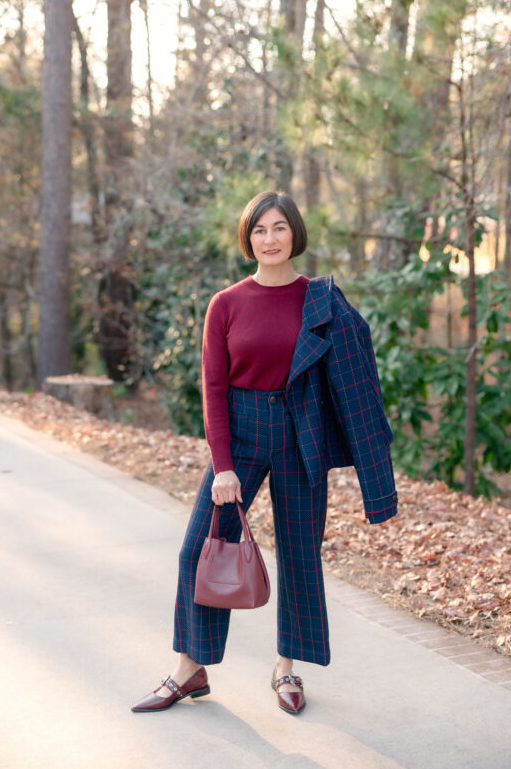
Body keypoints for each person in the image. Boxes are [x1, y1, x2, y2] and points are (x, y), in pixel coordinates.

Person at [131, 190, 396, 717]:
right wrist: (222, 465)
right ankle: (191, 669)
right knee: (197, 550)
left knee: (300, 553)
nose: (269, 239)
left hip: (303, 431)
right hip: (244, 432)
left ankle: (286, 667)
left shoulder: (322, 300)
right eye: (259, 230)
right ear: (247, 238)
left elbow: (355, 378)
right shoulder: (226, 303)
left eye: (279, 228)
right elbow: (213, 388)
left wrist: (372, 473)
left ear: (295, 233)